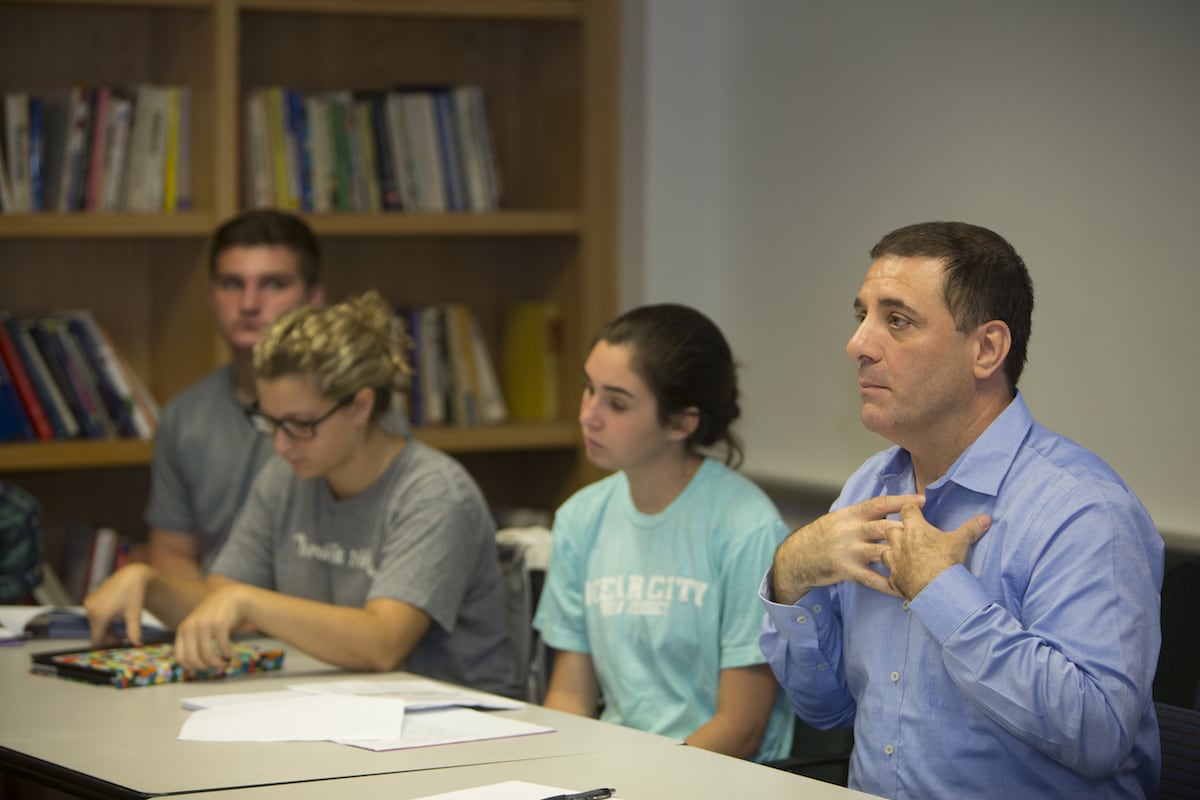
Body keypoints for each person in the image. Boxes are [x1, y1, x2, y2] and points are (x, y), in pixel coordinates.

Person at [759, 221, 1163, 798]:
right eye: (862, 317)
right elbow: (827, 711)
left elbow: (1100, 737)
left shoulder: (1084, 509)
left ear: (987, 350)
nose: (858, 345)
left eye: (896, 321)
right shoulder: (868, 489)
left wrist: (941, 590)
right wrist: (791, 576)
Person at [85, 291, 516, 695]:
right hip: (337, 712)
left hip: (454, 733)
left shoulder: (434, 493)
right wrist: (148, 583)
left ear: (361, 407)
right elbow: (220, 604)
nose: (281, 444)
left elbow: (382, 643)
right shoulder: (289, 475)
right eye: (271, 421)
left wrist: (247, 602)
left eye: (301, 424)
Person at [533, 303, 794, 761]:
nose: (588, 416)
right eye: (588, 390)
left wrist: (643, 782)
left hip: (713, 780)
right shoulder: (580, 517)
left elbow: (740, 728)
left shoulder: (746, 528)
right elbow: (569, 699)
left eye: (616, 403)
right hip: (613, 772)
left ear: (681, 422)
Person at [145, 209, 324, 580]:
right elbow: (171, 555)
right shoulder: (184, 416)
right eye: (232, 283)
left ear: (314, 298)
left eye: (274, 283)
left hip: (317, 623)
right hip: (219, 622)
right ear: (210, 296)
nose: (249, 304)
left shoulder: (351, 410)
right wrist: (218, 624)